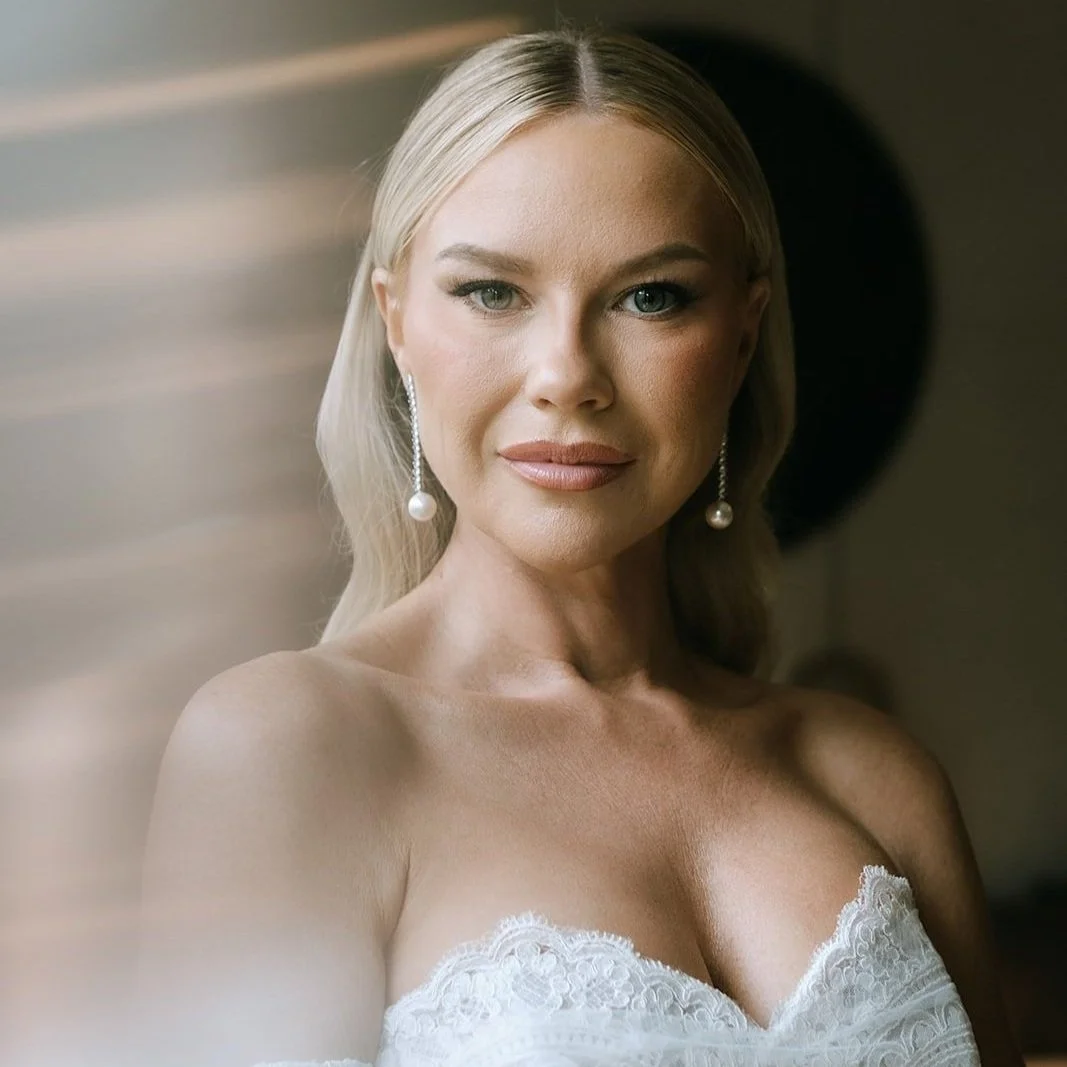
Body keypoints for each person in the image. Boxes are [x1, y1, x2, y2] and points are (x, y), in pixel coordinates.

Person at [133, 24, 1024, 1067]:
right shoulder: (290, 748)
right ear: (396, 325)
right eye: (491, 291)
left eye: (650, 296)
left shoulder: (870, 776)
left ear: (738, 337)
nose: (567, 374)